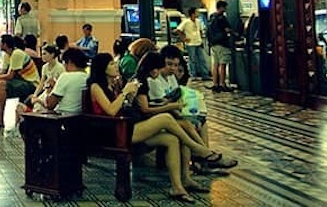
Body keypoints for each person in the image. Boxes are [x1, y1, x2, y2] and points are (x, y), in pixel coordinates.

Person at [87, 53, 235, 203]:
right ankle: (199, 149)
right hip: (113, 132)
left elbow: (123, 107)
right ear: (102, 68)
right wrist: (125, 92)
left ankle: (178, 185)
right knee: (166, 119)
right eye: (111, 64)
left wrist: (129, 97)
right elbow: (111, 110)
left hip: (126, 125)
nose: (116, 66)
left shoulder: (112, 84)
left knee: (172, 139)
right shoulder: (96, 87)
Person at [0, 35, 39, 128]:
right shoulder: (7, 54)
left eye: (1, 42)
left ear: (5, 44)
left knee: (1, 84)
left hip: (30, 83)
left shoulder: (17, 53)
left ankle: (0, 118)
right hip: (20, 80)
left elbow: (10, 76)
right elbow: (2, 72)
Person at [35, 47, 88, 114]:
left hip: (62, 117)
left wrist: (50, 90)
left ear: (69, 62)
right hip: (79, 117)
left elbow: (50, 104)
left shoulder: (66, 76)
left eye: (64, 62)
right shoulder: (87, 77)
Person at [25, 44, 64, 111]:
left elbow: (62, 84)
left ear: (52, 55)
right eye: (42, 54)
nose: (42, 56)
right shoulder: (44, 67)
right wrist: (35, 95)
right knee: (35, 104)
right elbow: (41, 83)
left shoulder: (60, 67)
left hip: (56, 93)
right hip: (47, 91)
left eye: (44, 54)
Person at [177, 6, 210, 80]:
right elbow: (178, 30)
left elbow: (200, 30)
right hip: (190, 43)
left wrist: (201, 38)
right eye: (196, 12)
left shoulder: (198, 21)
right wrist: (184, 38)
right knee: (192, 60)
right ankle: (193, 75)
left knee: (202, 59)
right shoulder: (186, 21)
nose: (198, 13)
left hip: (198, 42)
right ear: (192, 13)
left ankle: (205, 74)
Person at [207, 0, 234, 91]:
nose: (226, 9)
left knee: (215, 64)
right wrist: (235, 33)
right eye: (225, 7)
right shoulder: (222, 18)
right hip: (222, 44)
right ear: (222, 7)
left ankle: (215, 84)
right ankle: (222, 84)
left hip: (213, 44)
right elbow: (227, 29)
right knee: (223, 64)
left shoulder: (212, 17)